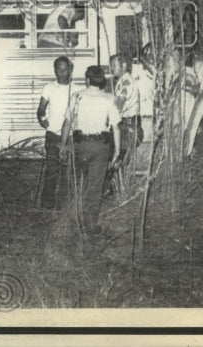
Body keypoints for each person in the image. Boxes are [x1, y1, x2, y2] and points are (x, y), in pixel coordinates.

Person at [60, 65, 121, 235]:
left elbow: (67, 123)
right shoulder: (109, 99)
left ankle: (74, 220)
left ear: (87, 80)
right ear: (102, 81)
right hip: (101, 147)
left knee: (78, 182)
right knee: (95, 185)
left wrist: (63, 145)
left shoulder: (76, 97)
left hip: (80, 145)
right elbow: (116, 127)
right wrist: (116, 152)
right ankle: (91, 224)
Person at [35, 56, 74, 209]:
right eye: (59, 69)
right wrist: (41, 119)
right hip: (53, 134)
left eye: (65, 69)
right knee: (52, 168)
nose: (62, 73)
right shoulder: (49, 87)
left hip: (70, 135)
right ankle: (47, 202)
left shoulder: (76, 89)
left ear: (70, 70)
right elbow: (41, 109)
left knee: (68, 170)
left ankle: (64, 203)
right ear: (55, 70)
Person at [106, 54, 142, 194]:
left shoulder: (125, 82)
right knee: (120, 158)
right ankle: (118, 190)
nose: (112, 69)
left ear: (124, 66)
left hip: (128, 125)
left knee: (118, 158)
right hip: (128, 124)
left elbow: (119, 105)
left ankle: (111, 188)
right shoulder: (123, 81)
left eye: (114, 66)